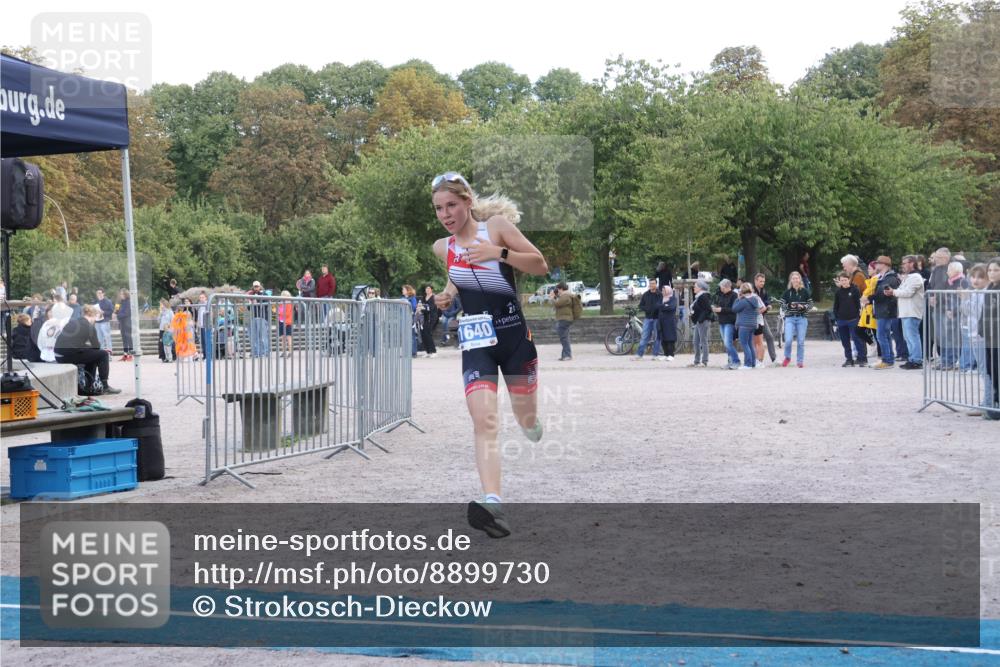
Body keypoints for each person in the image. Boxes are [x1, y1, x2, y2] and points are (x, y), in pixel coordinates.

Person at [429, 171, 547, 539]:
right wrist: (447, 295)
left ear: (467, 201)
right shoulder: (441, 247)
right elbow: (457, 276)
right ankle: (492, 502)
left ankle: (530, 423)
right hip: (477, 342)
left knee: (524, 415)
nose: (446, 214)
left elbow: (539, 265)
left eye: (451, 205)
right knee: (484, 421)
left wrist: (499, 253)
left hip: (514, 338)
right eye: (438, 209)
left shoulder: (495, 227)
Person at [53, 305, 122, 395]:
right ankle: (105, 386)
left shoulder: (73, 322)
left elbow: (71, 341)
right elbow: (96, 347)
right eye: (95, 318)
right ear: (92, 316)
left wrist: (87, 347)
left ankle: (89, 386)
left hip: (58, 354)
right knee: (103, 354)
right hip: (68, 356)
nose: (95, 321)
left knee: (92, 355)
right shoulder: (90, 327)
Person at [885, 255, 925, 370]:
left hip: (912, 311)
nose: (902, 266)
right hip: (906, 311)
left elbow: (908, 293)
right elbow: (902, 291)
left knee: (912, 337)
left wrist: (893, 292)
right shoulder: (909, 277)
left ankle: (917, 360)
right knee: (908, 337)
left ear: (912, 263)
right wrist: (895, 292)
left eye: (904, 263)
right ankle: (912, 358)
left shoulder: (916, 277)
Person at [966, 264, 993, 417]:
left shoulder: (985, 293)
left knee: (986, 370)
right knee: (983, 370)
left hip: (982, 335)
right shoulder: (974, 293)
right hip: (973, 334)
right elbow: (967, 312)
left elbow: (978, 313)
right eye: (973, 276)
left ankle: (988, 403)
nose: (975, 280)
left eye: (980, 277)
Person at [866, 256, 901, 369]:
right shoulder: (883, 277)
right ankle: (889, 358)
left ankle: (887, 360)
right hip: (882, 309)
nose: (875, 265)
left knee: (881, 335)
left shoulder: (890, 278)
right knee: (884, 335)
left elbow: (883, 294)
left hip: (886, 310)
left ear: (884, 264)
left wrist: (869, 298)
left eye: (877, 263)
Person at [981, 258, 1000, 419]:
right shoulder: (990, 287)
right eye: (990, 270)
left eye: (996, 270)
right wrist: (982, 329)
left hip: (997, 337)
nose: (992, 273)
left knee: (997, 369)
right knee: (991, 370)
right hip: (989, 337)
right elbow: (984, 312)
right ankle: (995, 402)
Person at [832, 271, 865, 367]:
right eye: (841, 280)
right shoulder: (838, 292)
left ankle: (862, 358)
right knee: (845, 341)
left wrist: (858, 317)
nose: (844, 282)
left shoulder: (855, 290)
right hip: (841, 320)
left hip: (853, 319)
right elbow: (836, 306)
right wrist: (836, 318)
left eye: (845, 280)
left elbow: (858, 305)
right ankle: (849, 359)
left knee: (857, 339)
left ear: (849, 280)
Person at [781, 271, 813, 368]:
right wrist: (789, 305)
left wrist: (803, 307)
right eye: (793, 278)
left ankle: (800, 361)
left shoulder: (805, 291)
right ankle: (787, 357)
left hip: (802, 319)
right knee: (788, 340)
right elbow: (782, 305)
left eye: (797, 278)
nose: (795, 280)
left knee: (800, 341)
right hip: (790, 318)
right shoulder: (787, 292)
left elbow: (811, 305)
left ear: (800, 280)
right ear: (791, 280)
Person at [712, 279, 740, 369]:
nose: (720, 288)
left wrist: (721, 310)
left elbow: (734, 309)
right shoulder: (722, 295)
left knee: (728, 343)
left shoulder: (734, 295)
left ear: (727, 286)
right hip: (722, 321)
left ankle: (736, 361)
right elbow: (721, 307)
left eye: (721, 287)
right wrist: (716, 309)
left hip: (730, 322)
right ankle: (730, 361)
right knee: (726, 343)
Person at [732, 283, 761, 369]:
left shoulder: (743, 301)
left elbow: (734, 309)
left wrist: (737, 299)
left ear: (742, 291)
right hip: (752, 324)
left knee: (744, 344)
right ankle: (753, 363)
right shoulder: (754, 299)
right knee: (750, 344)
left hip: (744, 325)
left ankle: (747, 364)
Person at [752, 273, 777, 366]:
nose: (762, 283)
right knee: (756, 341)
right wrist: (765, 307)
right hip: (752, 318)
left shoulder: (763, 291)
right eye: (760, 281)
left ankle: (774, 358)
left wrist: (768, 305)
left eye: (763, 281)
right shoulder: (751, 290)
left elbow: (767, 300)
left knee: (769, 337)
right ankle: (755, 360)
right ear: (755, 281)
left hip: (762, 317)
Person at [634, 278, 662, 360]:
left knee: (657, 337)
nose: (651, 285)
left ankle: (655, 355)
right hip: (648, 318)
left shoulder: (659, 294)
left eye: (653, 283)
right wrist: (647, 309)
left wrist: (656, 309)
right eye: (650, 284)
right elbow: (640, 306)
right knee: (644, 336)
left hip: (657, 318)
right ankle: (639, 355)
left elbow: (661, 305)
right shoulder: (646, 294)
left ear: (656, 284)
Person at [689, 279, 712, 367]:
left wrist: (700, 319)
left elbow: (707, 309)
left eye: (695, 286)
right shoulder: (699, 296)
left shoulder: (704, 296)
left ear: (700, 288)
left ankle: (704, 361)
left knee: (703, 341)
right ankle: (697, 361)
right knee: (696, 341)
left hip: (702, 321)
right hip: (698, 321)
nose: (694, 288)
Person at [552, 282, 576, 361]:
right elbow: (559, 303)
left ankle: (567, 355)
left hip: (565, 319)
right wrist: (555, 296)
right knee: (564, 337)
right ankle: (565, 355)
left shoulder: (566, 296)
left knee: (564, 337)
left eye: (558, 289)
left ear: (561, 289)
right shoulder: (565, 295)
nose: (557, 291)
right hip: (565, 318)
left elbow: (557, 304)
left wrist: (552, 298)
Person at [247, 281, 270, 358]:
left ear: (260, 286)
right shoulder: (251, 295)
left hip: (262, 317)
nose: (256, 288)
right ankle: (257, 352)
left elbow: (266, 305)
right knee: (255, 336)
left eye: (257, 286)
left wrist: (258, 300)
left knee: (263, 336)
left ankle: (266, 352)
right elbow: (249, 308)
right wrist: (250, 302)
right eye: (254, 287)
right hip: (254, 317)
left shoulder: (264, 294)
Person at [657, 284, 679, 361]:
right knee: (663, 338)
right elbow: (658, 306)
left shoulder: (673, 298)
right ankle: (666, 354)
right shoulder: (661, 298)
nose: (662, 292)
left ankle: (671, 354)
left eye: (664, 290)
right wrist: (665, 305)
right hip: (661, 321)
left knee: (670, 338)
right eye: (662, 290)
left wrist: (663, 306)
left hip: (669, 321)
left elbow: (671, 307)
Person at [420, 285, 439, 358]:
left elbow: (431, 308)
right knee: (423, 334)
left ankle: (433, 351)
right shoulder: (423, 297)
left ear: (432, 290)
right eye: (426, 288)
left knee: (429, 334)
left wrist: (423, 308)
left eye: (428, 288)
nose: (427, 290)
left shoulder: (434, 297)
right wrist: (422, 308)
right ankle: (428, 351)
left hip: (431, 318)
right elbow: (421, 306)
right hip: (424, 318)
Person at [402, 284, 421, 357]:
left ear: (407, 290)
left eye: (403, 289)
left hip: (410, 318)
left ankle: (413, 352)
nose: (402, 291)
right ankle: (406, 352)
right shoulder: (402, 298)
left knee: (412, 336)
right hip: (404, 318)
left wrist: (406, 303)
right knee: (405, 336)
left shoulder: (412, 298)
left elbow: (413, 307)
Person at [117, 289, 134, 361]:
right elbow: (119, 311)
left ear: (125, 294)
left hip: (127, 323)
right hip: (122, 323)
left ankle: (130, 355)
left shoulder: (129, 302)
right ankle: (125, 354)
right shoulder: (121, 302)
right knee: (124, 339)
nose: (120, 295)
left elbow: (127, 313)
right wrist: (116, 312)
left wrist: (118, 315)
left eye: (121, 294)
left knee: (128, 338)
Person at [277, 290, 295, 358]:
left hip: (287, 322)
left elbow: (287, 314)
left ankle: (290, 352)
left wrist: (279, 313)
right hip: (281, 322)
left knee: (288, 338)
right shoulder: (281, 303)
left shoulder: (289, 303)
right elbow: (279, 311)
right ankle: (284, 352)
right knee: (282, 338)